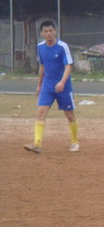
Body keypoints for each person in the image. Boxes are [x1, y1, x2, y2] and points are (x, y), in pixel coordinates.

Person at [23, 20, 79, 154]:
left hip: (63, 87)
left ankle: (74, 141)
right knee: (40, 113)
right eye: (45, 31)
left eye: (51, 31)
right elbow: (42, 66)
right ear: (42, 33)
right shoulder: (40, 47)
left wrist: (62, 82)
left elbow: (68, 66)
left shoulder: (62, 46)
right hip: (47, 86)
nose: (48, 33)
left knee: (69, 114)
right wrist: (39, 85)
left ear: (55, 31)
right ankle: (37, 144)